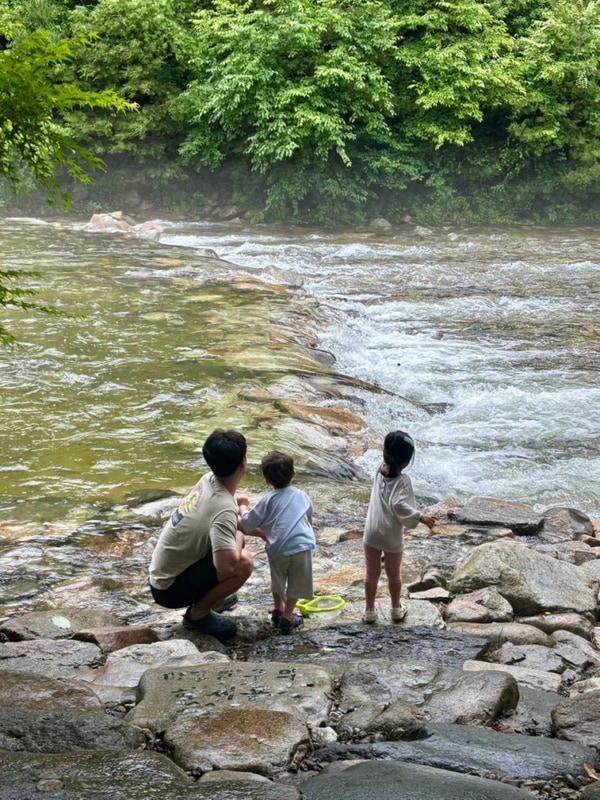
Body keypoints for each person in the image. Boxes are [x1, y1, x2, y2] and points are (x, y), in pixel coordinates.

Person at [148, 429, 254, 642]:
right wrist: (240, 534)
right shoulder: (224, 509)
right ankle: (198, 614)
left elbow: (221, 517)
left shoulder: (208, 480)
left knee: (231, 543)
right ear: (243, 463)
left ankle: (210, 599)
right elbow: (227, 568)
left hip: (161, 576)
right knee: (244, 562)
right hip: (168, 590)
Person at [362, 430, 437, 625]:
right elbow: (398, 504)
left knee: (371, 574)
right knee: (394, 575)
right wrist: (420, 516)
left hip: (371, 531)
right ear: (406, 462)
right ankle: (396, 608)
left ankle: (369, 610)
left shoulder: (379, 470)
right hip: (391, 535)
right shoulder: (403, 481)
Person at [239, 450, 316, 634]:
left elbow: (247, 524)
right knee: (297, 582)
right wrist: (310, 527)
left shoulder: (267, 500)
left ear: (267, 481)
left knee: (277, 579)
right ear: (294, 474)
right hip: (301, 546)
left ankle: (277, 609)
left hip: (278, 549)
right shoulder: (302, 495)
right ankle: (288, 617)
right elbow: (308, 516)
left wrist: (242, 506)